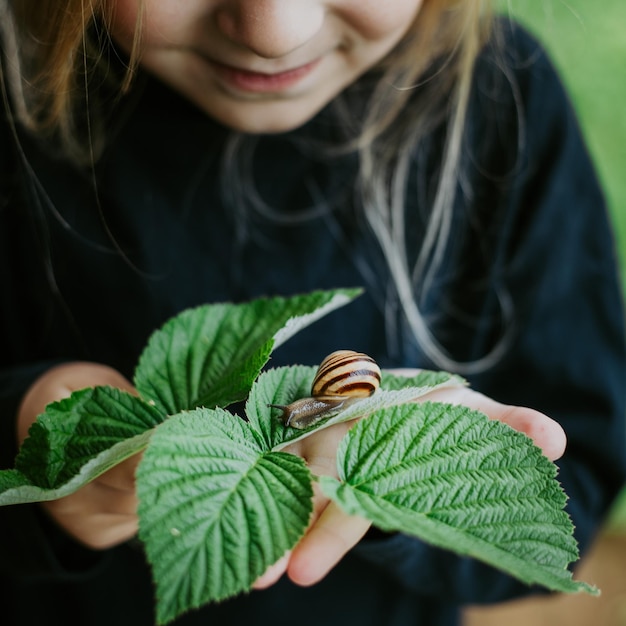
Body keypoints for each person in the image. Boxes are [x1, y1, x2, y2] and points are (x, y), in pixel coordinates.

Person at [0, 1, 624, 625]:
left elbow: (577, 478)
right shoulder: (19, 103)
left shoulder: (501, 98)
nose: (275, 34)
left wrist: (409, 479)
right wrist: (26, 434)